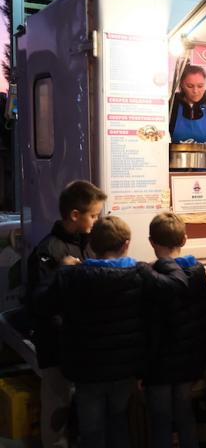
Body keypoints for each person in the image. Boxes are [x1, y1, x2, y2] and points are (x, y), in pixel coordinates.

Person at [36, 216, 148, 448]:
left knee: (91, 429)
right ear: (126, 245)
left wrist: (59, 270)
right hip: (124, 367)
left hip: (85, 367)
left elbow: (40, 304)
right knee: (119, 422)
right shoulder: (140, 275)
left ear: (91, 245)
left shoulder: (71, 276)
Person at [27, 180, 106, 448]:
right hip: (56, 348)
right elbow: (38, 304)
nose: (96, 220)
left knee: (82, 413)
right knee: (57, 410)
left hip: (82, 345)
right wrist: (62, 272)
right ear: (75, 215)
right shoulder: (48, 251)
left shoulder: (90, 244)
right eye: (93, 215)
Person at [142, 213, 206, 448]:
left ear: (151, 242)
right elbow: (204, 318)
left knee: (160, 420)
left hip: (158, 363)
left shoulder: (150, 276)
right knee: (185, 415)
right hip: (188, 360)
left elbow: (148, 324)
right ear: (184, 239)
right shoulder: (198, 272)